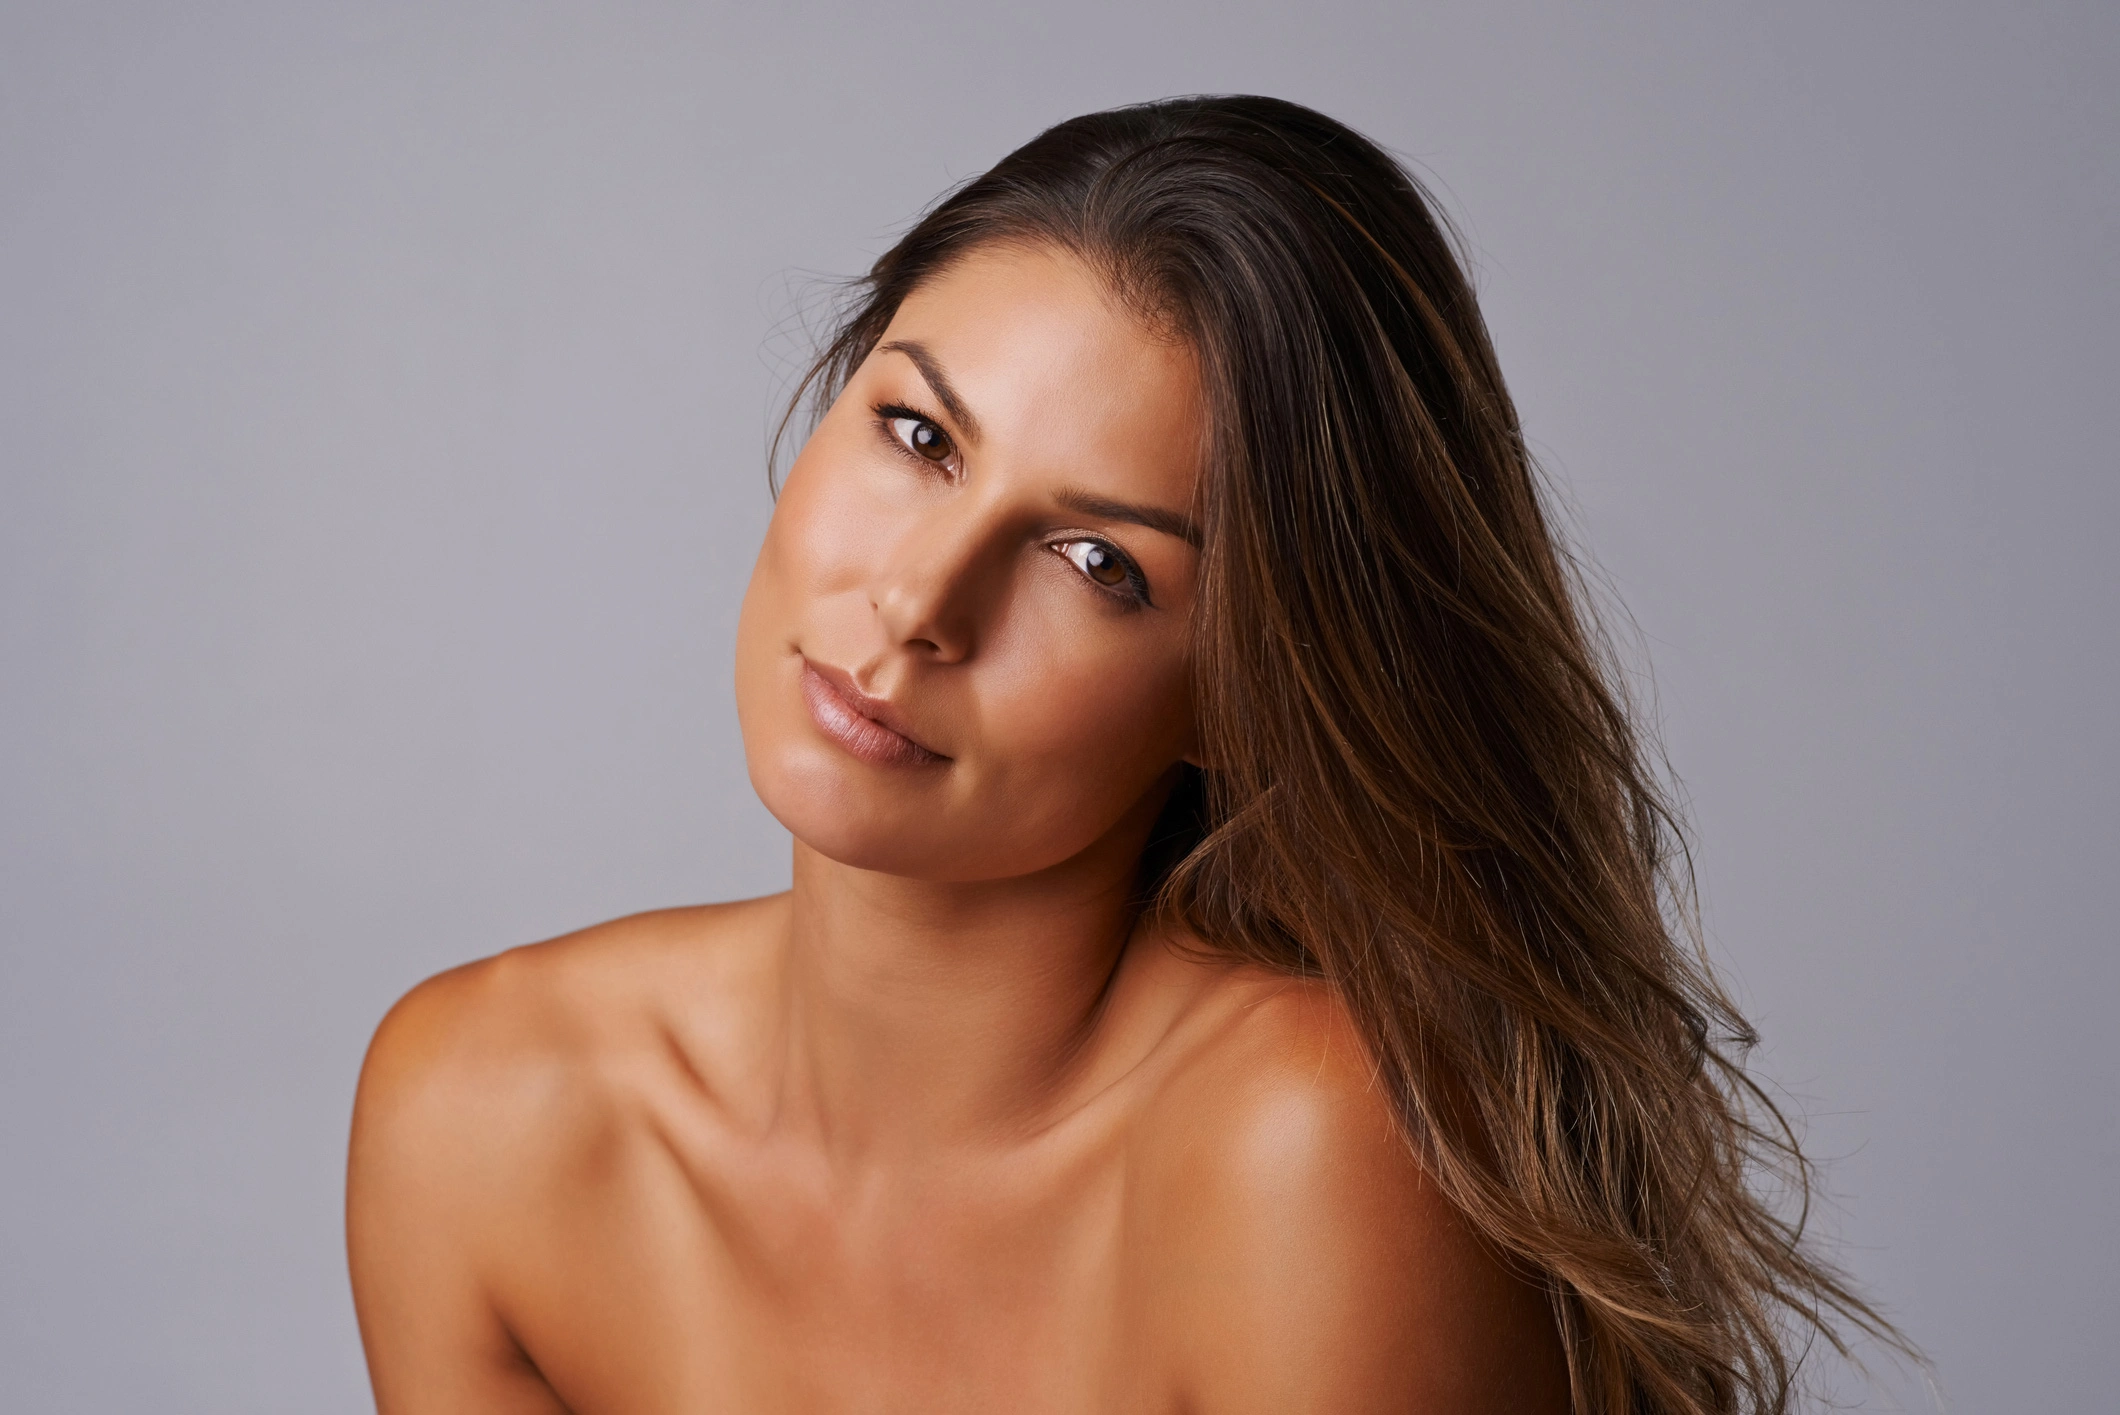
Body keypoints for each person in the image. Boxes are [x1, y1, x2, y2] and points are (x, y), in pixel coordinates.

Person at [347, 95, 1903, 1413]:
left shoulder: (1307, 1155)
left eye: (1101, 563)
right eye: (917, 437)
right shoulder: (484, 1108)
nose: (916, 602)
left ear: (1246, 689)